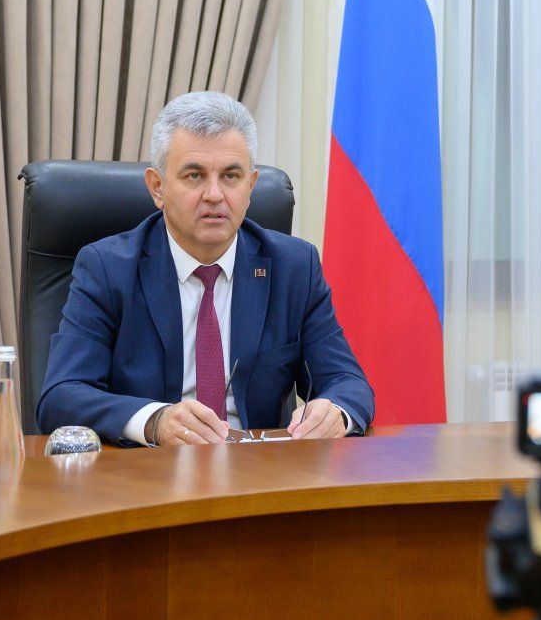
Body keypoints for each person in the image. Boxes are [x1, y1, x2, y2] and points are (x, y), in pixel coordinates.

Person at [37, 92, 375, 445]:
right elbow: (61, 396)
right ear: (157, 187)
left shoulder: (293, 267)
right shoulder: (107, 268)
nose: (214, 194)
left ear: (250, 186)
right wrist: (154, 421)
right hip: (149, 467)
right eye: (195, 175)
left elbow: (348, 382)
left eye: (230, 176)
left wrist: (335, 412)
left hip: (258, 470)